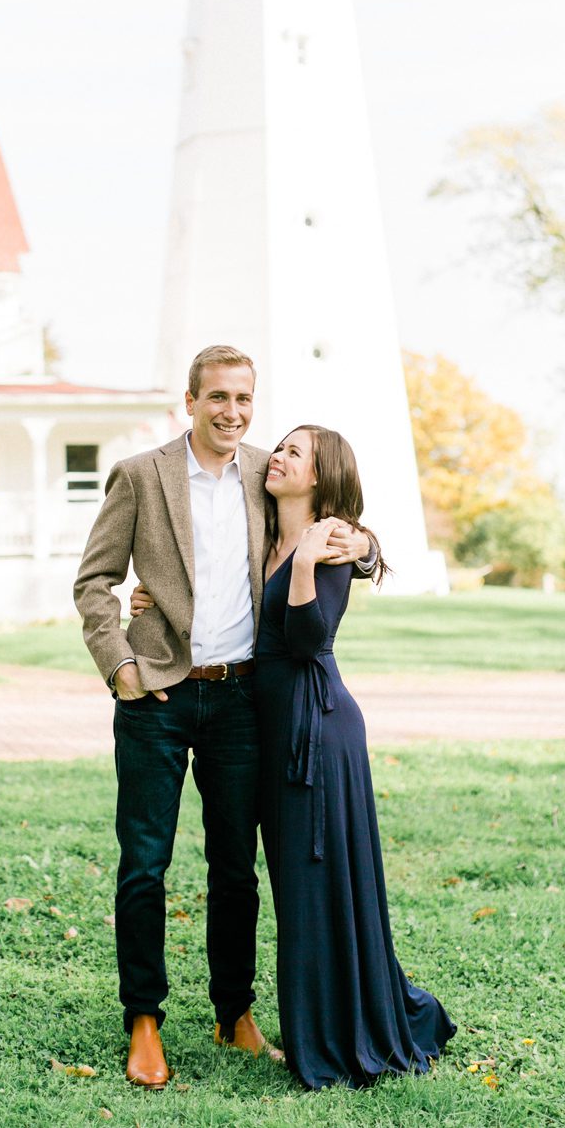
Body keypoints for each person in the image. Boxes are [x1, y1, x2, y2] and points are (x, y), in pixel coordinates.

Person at [73, 346, 373, 1088]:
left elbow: (336, 518)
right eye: (217, 398)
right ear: (190, 400)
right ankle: (144, 1019)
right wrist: (122, 665)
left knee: (236, 867)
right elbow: (95, 582)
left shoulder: (267, 470)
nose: (231, 412)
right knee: (145, 863)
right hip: (159, 698)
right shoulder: (141, 476)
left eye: (243, 398)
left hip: (241, 700)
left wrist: (364, 547)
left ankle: (234, 1011)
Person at [254, 424, 456, 1089]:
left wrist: (316, 559)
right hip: (275, 728)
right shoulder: (264, 527)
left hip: (320, 727)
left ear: (320, 476)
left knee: (319, 885)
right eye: (278, 446)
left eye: (293, 453)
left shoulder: (332, 542)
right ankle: (325, 1022)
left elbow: (311, 639)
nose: (277, 456)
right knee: (299, 888)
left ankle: (336, 1039)